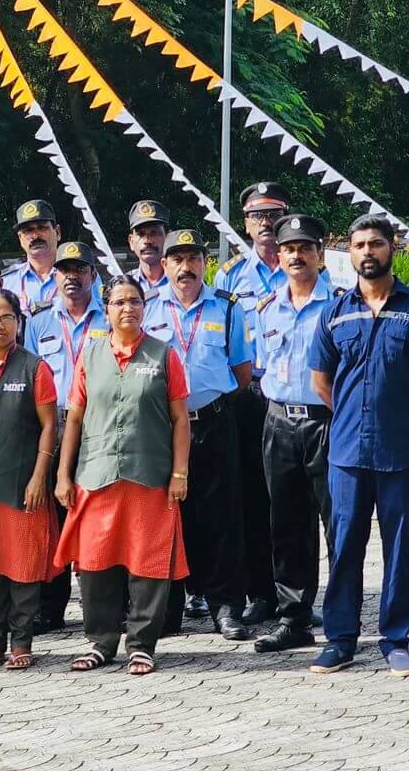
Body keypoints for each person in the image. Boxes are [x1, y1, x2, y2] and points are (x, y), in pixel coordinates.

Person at [309, 214, 409, 677]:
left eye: (376, 243)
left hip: (399, 453)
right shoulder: (335, 312)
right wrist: (351, 415)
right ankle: (340, 639)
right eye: (359, 245)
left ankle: (396, 639)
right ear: (349, 253)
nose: (367, 252)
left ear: (392, 249)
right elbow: (320, 380)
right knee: (345, 544)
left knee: (399, 544)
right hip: (347, 454)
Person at [55, 277, 190, 675]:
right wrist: (64, 475)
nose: (126, 308)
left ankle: (142, 644)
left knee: (147, 563)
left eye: (134, 301)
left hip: (149, 476)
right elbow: (74, 417)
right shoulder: (90, 354)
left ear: (144, 306)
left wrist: (180, 472)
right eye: (118, 302)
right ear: (107, 308)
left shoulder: (164, 356)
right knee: (96, 563)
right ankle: (100, 641)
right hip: (96, 476)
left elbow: (181, 419)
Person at [145, 229, 254, 641]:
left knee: (222, 518)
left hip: (214, 422)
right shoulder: (150, 310)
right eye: (177, 259)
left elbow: (241, 373)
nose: (185, 267)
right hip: (164, 428)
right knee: (168, 517)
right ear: (165, 265)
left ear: (204, 263)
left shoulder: (227, 308)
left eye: (193, 258)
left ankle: (225, 608)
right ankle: (168, 609)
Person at [251, 214, 338, 654]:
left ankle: (343, 622)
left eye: (306, 247)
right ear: (278, 255)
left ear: (320, 255)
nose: (297, 255)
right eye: (289, 248)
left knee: (336, 523)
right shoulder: (267, 307)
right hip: (279, 421)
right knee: (286, 526)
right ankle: (294, 619)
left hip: (327, 422)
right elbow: (261, 367)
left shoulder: (339, 305)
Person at [21, 240, 109, 633]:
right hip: (52, 424)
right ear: (53, 276)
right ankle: (49, 606)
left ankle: (102, 603)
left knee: (96, 512)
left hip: (97, 425)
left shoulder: (109, 318)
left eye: (80, 269)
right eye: (64, 270)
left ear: (93, 274)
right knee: (50, 518)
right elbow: (29, 378)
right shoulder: (38, 322)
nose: (72, 277)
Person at [0, 289, 58, 670]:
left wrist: (40, 475)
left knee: (23, 565)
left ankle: (21, 642)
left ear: (19, 323)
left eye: (6, 317)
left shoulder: (35, 368)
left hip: (23, 484)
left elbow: (50, 424)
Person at [214, 182, 291, 627]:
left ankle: (293, 593)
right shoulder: (230, 277)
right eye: (257, 217)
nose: (265, 224)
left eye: (272, 215)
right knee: (247, 498)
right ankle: (258, 592)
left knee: (289, 498)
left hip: (286, 397)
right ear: (245, 223)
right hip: (245, 397)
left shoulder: (302, 268)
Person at [2, 199, 62, 311]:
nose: (35, 235)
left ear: (57, 232)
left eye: (42, 227)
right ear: (20, 238)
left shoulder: (79, 276)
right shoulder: (7, 281)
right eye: (28, 230)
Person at [125, 200, 170, 294]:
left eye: (154, 233)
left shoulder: (182, 283)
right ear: (131, 242)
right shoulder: (124, 285)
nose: (147, 241)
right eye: (141, 234)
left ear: (167, 237)